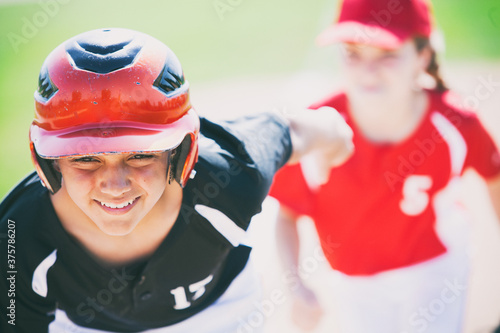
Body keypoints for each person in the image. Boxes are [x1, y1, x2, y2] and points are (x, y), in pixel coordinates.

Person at [0, 28, 353, 332]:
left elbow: (321, 128)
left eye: (140, 155)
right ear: (50, 163)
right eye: (86, 159)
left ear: (181, 153)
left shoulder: (230, 175)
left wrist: (335, 150)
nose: (115, 183)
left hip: (220, 313)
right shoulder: (18, 235)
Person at [269, 0, 500, 332]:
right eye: (353, 53)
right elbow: (287, 214)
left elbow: (494, 176)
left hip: (434, 268)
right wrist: (296, 286)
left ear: (422, 57)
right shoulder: (317, 129)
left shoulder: (453, 124)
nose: (367, 70)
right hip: (353, 280)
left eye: (387, 54)